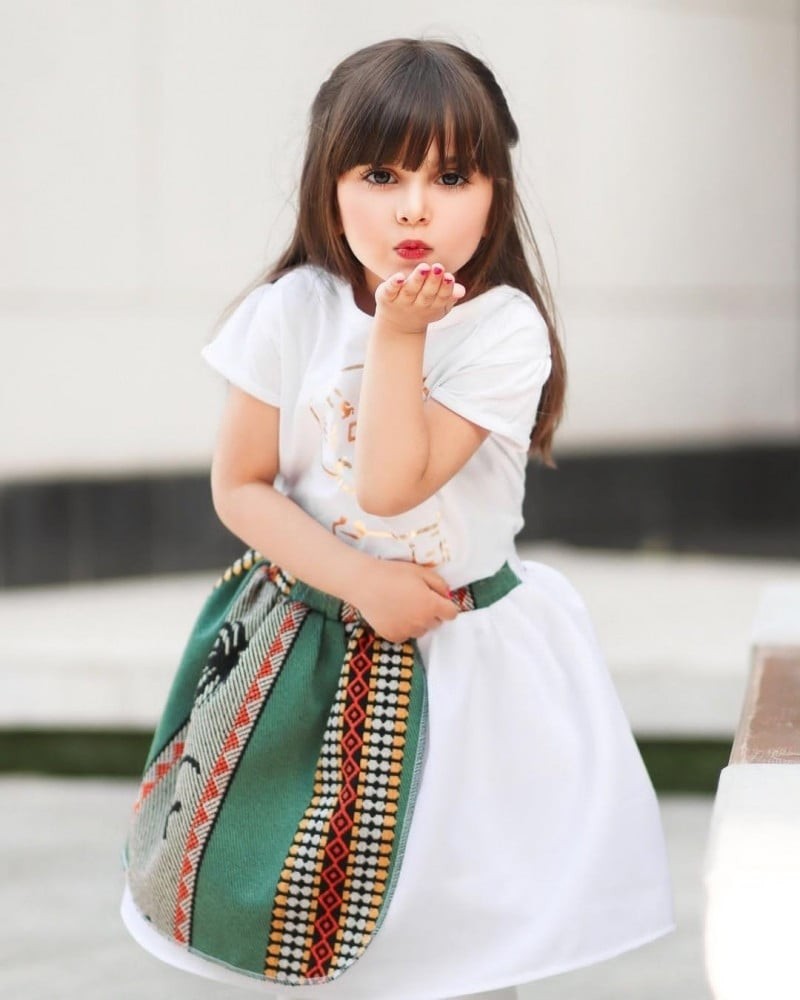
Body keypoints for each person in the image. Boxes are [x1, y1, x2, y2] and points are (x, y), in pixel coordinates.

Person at [119, 36, 675, 1000]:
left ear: (495, 192)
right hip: (306, 643)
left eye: (451, 176)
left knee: (460, 926)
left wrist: (399, 333)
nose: (416, 206)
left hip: (461, 661)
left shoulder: (503, 330)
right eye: (381, 175)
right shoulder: (289, 311)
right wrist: (362, 582)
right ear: (329, 185)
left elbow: (388, 486)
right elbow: (241, 486)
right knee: (289, 907)